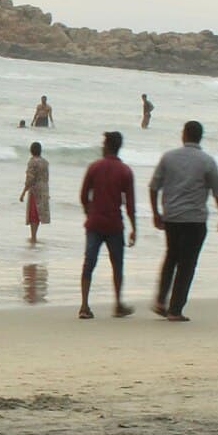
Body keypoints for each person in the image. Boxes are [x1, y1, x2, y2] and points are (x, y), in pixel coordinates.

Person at [148, 120, 218, 322]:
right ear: (200, 137)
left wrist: (156, 213)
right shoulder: (207, 161)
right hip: (195, 219)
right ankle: (175, 309)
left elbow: (153, 187)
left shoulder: (169, 157)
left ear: (184, 134)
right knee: (187, 264)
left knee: (171, 257)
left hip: (172, 217)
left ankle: (160, 300)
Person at [77, 131, 137, 319]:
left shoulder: (94, 167)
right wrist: (134, 227)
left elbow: (83, 194)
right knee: (117, 265)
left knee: (89, 263)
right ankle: (118, 304)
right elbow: (130, 204)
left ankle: (85, 306)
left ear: (107, 146)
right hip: (114, 224)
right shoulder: (125, 171)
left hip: (95, 223)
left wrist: (89, 210)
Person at [19, 141, 50, 245]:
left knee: (33, 214)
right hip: (44, 190)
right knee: (38, 214)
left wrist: (23, 192)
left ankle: (33, 237)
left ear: (31, 151)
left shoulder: (32, 162)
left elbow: (30, 179)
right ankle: (34, 236)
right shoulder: (45, 162)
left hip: (35, 191)